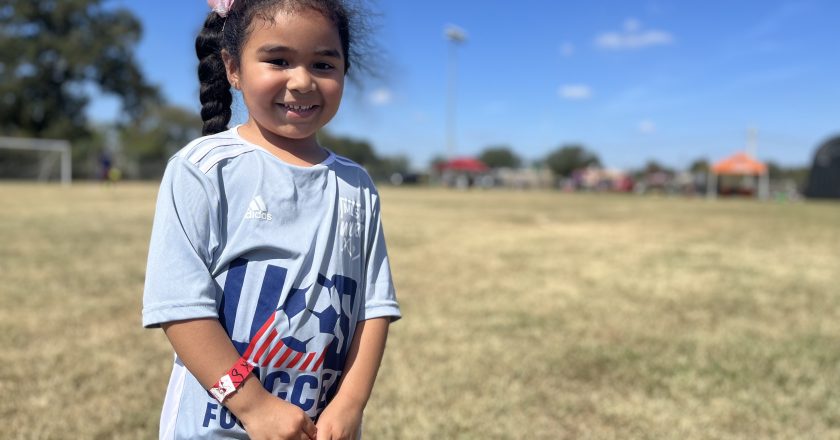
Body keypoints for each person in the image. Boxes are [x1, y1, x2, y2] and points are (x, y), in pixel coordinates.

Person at [142, 0, 401, 438]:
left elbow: (372, 311)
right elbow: (180, 306)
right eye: (278, 60)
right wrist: (255, 407)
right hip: (216, 426)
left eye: (323, 63)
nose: (302, 81)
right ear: (233, 68)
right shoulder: (203, 168)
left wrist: (350, 404)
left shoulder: (356, 185)